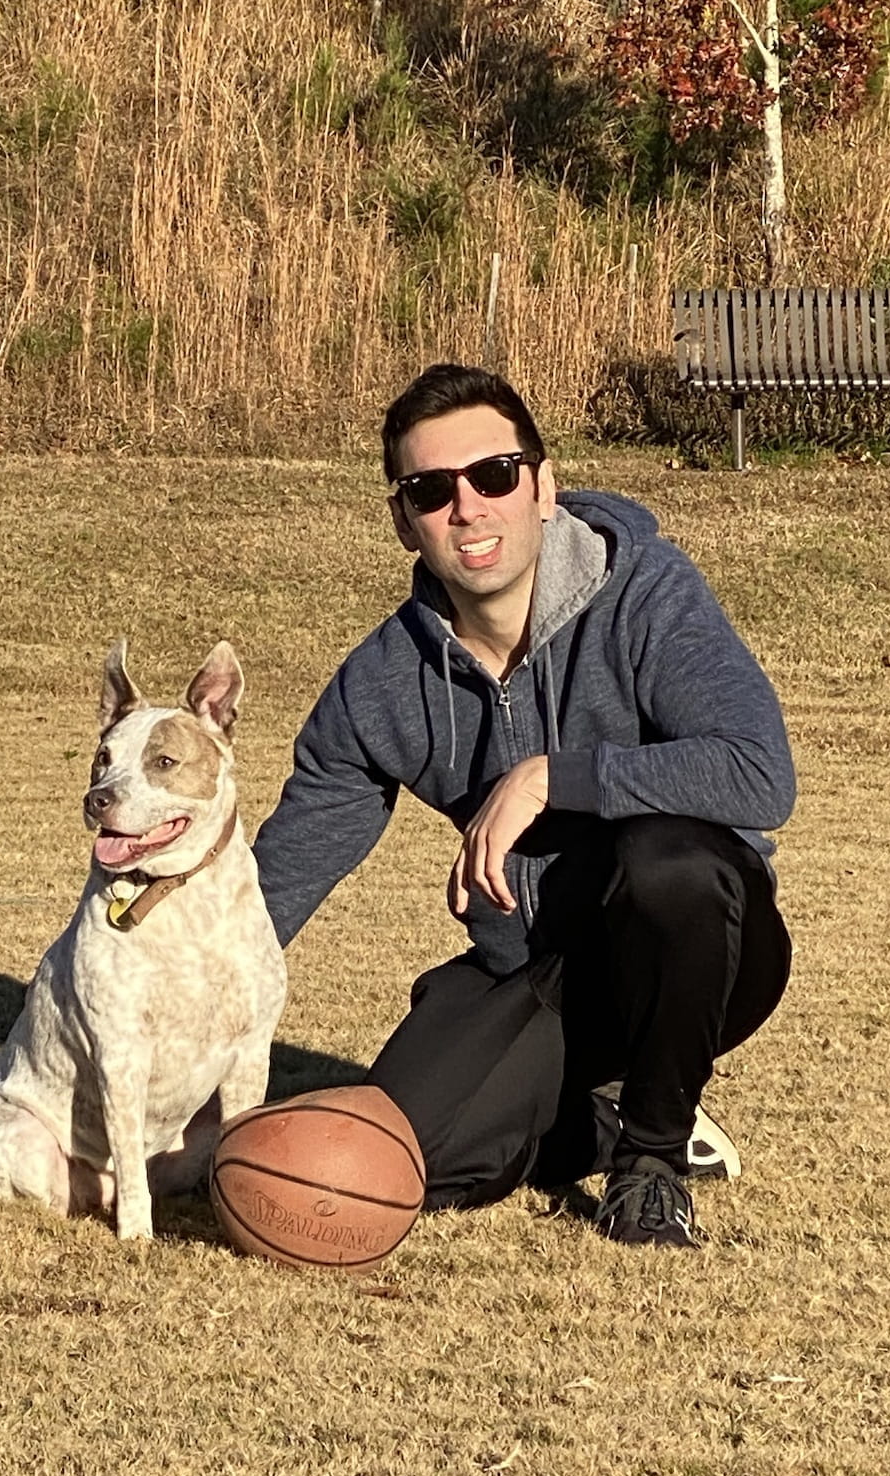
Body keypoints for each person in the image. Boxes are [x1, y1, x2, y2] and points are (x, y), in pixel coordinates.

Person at [252, 363, 794, 1249]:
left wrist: (552, 776)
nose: (468, 508)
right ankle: (608, 1119)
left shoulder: (647, 595)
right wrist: (132, 990)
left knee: (672, 862)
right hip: (534, 969)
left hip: (694, 946)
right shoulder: (386, 682)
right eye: (432, 490)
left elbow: (758, 774)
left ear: (542, 486)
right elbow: (278, 876)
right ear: (403, 520)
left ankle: (649, 1164)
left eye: (494, 475)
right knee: (403, 1161)